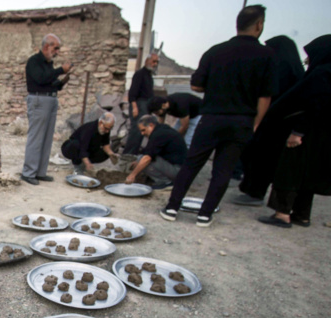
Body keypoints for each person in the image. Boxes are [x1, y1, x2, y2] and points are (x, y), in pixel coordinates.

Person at [159, 5, 277, 227]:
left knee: (192, 163)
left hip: (212, 117)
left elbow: (196, 84)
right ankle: (205, 214)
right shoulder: (267, 55)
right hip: (241, 120)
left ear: (237, 24)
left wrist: (217, 86)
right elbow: (265, 96)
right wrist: (255, 124)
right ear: (259, 25)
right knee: (223, 169)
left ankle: (172, 207)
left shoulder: (216, 51)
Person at [257, 35, 331, 228]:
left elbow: (315, 104)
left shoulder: (322, 73)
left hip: (306, 133)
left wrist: (298, 132)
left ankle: (282, 214)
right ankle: (302, 215)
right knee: (308, 174)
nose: (307, 60)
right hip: (321, 136)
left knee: (289, 170)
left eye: (311, 55)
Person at [234, 35, 306, 206]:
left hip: (273, 124)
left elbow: (268, 93)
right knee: (263, 157)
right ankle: (252, 190)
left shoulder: (282, 68)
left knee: (261, 157)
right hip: (280, 124)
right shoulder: (295, 70)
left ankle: (254, 192)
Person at [21, 33, 73, 185]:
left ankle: (40, 172)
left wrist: (62, 81)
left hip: (50, 100)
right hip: (39, 100)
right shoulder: (34, 61)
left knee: (46, 138)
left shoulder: (49, 64)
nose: (57, 52)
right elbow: (41, 79)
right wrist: (59, 70)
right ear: (46, 46)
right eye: (55, 48)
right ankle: (28, 172)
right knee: (36, 137)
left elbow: (51, 82)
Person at [125, 115, 187, 189]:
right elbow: (149, 150)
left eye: (143, 130)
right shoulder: (161, 129)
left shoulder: (158, 135)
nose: (142, 133)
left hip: (179, 171)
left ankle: (165, 182)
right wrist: (137, 163)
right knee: (140, 159)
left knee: (145, 161)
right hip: (179, 168)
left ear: (151, 125)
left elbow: (147, 158)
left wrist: (132, 175)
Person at [123, 53, 159, 155]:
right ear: (147, 61)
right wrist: (134, 107)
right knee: (136, 131)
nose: (155, 64)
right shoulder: (140, 74)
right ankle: (128, 155)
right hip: (138, 105)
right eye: (153, 61)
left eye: (156, 62)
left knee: (143, 131)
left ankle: (134, 154)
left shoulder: (149, 77)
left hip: (145, 106)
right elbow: (132, 93)